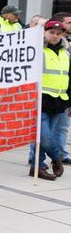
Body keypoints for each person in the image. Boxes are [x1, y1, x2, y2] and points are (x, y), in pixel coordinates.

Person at [34, 20, 71, 180]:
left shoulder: (66, 52)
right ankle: (57, 158)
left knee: (50, 136)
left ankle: (39, 167)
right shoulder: (37, 50)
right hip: (41, 98)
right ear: (44, 32)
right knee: (44, 136)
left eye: (58, 34)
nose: (55, 36)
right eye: (52, 33)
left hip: (60, 100)